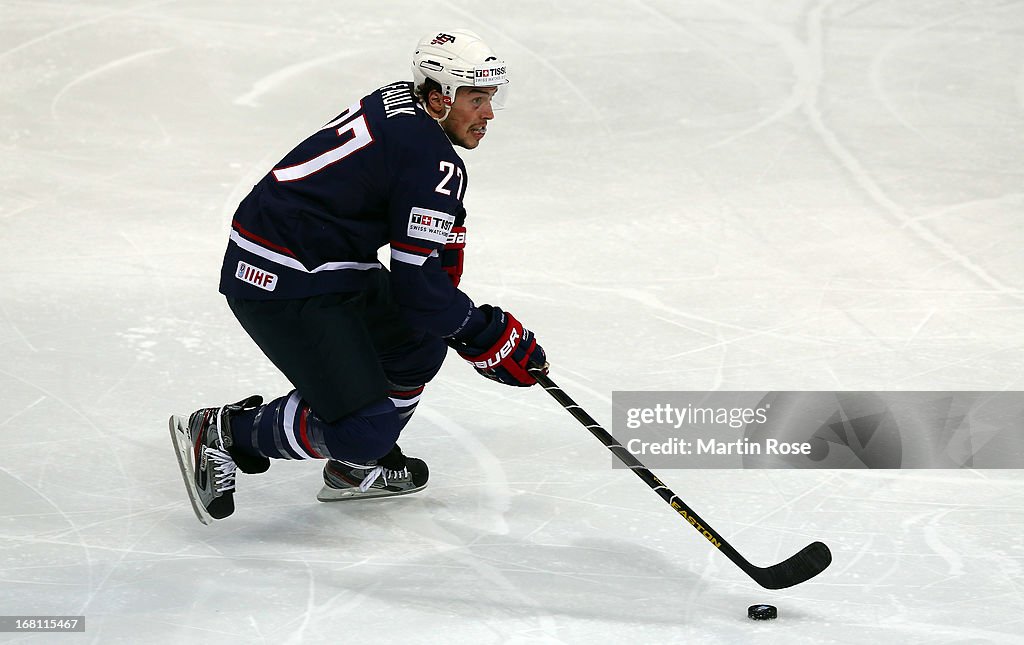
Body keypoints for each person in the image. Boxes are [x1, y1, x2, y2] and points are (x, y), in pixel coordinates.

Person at [169, 29, 548, 525]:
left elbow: (428, 275)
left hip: (318, 258)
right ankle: (225, 432)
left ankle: (355, 470)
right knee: (366, 427)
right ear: (438, 98)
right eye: (477, 100)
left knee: (419, 343)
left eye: (490, 99)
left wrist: (460, 324)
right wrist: (484, 333)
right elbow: (418, 287)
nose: (489, 115)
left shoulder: (403, 106)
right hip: (282, 277)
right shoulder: (431, 158)